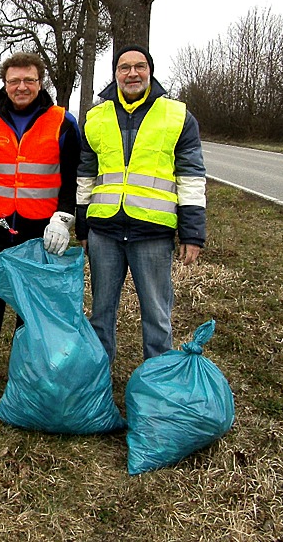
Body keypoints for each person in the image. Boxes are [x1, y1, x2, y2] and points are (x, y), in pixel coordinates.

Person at [0, 52, 82, 401]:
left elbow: (74, 176)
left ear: (40, 81)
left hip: (42, 231)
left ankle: (26, 369)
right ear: (4, 83)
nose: (22, 87)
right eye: (14, 80)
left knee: (33, 306)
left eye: (29, 80)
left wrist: (64, 216)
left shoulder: (62, 122)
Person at [76, 44, 206, 364]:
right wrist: (82, 224)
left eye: (139, 66)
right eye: (124, 67)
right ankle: (98, 383)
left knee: (157, 317)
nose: (132, 73)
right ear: (115, 74)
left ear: (150, 70)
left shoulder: (177, 116)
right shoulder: (96, 117)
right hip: (104, 230)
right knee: (101, 314)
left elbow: (191, 177)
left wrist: (192, 234)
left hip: (153, 231)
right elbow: (85, 174)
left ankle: (157, 389)